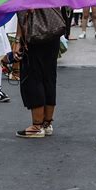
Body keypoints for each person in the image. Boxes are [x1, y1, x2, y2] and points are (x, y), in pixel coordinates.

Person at [13, 8, 62, 138]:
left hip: (34, 33)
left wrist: (18, 40)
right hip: (52, 31)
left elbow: (23, 13)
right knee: (49, 77)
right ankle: (47, 123)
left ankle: (37, 125)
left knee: (34, 78)